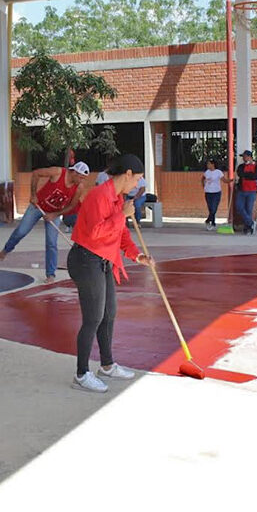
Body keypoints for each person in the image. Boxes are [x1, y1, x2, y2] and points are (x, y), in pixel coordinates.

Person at [68, 153, 152, 393]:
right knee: (93, 318)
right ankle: (82, 374)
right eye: (137, 179)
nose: (137, 184)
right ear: (127, 175)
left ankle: (106, 365)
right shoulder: (99, 196)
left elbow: (121, 234)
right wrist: (121, 215)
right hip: (86, 260)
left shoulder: (118, 198)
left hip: (103, 261)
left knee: (109, 313)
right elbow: (96, 232)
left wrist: (137, 255)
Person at [0, 162, 90, 283]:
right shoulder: (58, 172)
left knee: (52, 243)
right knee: (21, 231)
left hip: (54, 213)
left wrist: (55, 214)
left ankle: (50, 274)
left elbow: (72, 205)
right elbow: (36, 173)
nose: (82, 180)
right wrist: (33, 195)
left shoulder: (79, 187)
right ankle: (7, 249)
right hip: (37, 207)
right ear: (74, 172)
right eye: (80, 177)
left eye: (84, 178)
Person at [235, 150, 257, 235]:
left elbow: (256, 176)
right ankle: (250, 222)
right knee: (239, 207)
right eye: (243, 156)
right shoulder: (241, 166)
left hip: (252, 190)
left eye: (245, 156)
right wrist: (250, 175)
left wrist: (246, 175)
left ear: (249, 156)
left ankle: (247, 227)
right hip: (241, 190)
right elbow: (240, 174)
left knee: (248, 209)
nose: (243, 158)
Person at [201, 158, 224, 230]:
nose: (208, 165)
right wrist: (203, 186)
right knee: (211, 208)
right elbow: (203, 178)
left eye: (209, 164)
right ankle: (213, 223)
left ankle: (208, 220)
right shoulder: (207, 172)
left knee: (214, 208)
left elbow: (224, 179)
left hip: (216, 192)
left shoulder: (218, 172)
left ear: (213, 164)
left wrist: (230, 180)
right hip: (208, 192)